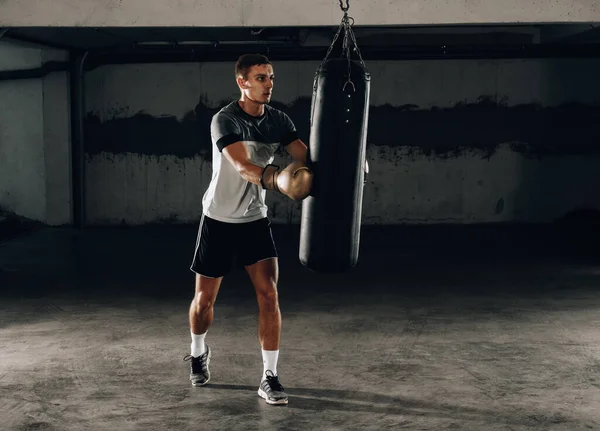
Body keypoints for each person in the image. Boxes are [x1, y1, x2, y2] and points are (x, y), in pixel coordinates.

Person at [183, 53, 313, 406]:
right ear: (242, 82)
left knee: (269, 296)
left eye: (270, 77)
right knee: (204, 300)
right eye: (260, 78)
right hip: (219, 219)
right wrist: (278, 179)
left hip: (255, 219)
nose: (268, 84)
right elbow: (242, 166)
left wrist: (342, 163)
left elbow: (306, 156)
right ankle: (197, 350)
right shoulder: (224, 120)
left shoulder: (279, 120)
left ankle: (269, 377)